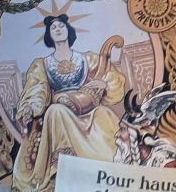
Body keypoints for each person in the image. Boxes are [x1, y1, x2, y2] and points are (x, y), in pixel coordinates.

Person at [12, 14, 126, 192]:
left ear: (69, 31)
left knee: (104, 114)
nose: (57, 29)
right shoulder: (42, 64)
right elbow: (37, 89)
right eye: (53, 28)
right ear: (49, 35)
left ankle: (108, 170)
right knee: (56, 111)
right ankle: (60, 169)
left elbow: (108, 77)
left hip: (86, 108)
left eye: (61, 26)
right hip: (59, 109)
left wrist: (103, 84)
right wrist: (30, 107)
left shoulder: (87, 59)